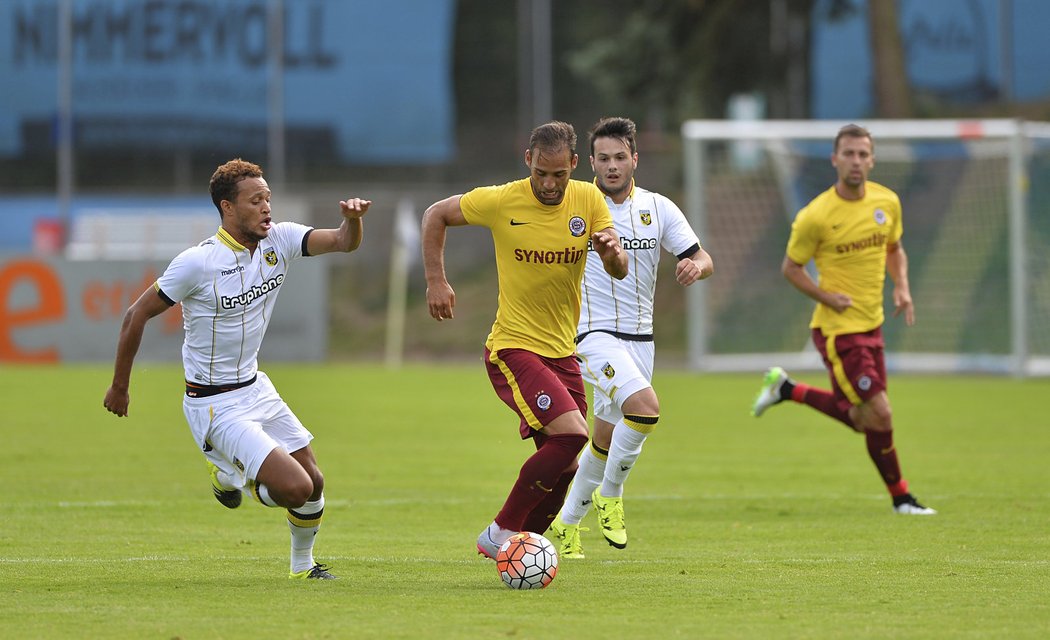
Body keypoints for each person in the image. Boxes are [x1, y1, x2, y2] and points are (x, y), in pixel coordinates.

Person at [103, 158, 373, 579]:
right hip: (215, 404)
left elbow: (343, 242)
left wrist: (351, 221)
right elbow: (134, 316)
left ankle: (303, 569)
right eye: (255, 201)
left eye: (268, 198)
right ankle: (228, 471)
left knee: (315, 482)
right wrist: (120, 386)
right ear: (228, 208)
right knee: (296, 488)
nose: (267, 207)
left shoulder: (279, 240)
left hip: (255, 387)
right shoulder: (197, 263)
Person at [422, 120, 628, 559]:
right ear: (528, 161)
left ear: (574, 165)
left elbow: (618, 267)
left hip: (563, 352)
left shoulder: (589, 198)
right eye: (541, 173)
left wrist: (613, 254)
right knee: (573, 435)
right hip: (513, 347)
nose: (550, 184)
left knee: (567, 468)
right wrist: (436, 280)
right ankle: (500, 531)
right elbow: (435, 214)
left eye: (560, 174)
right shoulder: (500, 200)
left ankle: (522, 549)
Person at [547, 116, 714, 559]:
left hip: (642, 339)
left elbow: (702, 257)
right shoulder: (575, 206)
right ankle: (612, 495)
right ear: (591, 164)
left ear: (635, 159)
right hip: (592, 335)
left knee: (603, 441)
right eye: (603, 159)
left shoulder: (659, 208)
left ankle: (565, 526)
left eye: (620, 157)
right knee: (645, 410)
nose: (612, 166)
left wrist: (695, 267)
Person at [750, 124, 935, 515]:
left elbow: (895, 248)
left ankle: (787, 389)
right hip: (838, 331)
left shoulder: (887, 203)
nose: (856, 161)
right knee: (879, 413)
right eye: (848, 154)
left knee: (862, 418)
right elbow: (791, 268)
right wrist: (826, 297)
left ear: (872, 159)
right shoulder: (815, 216)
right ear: (835, 159)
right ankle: (902, 499)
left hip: (873, 324)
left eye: (862, 154)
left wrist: (902, 286)